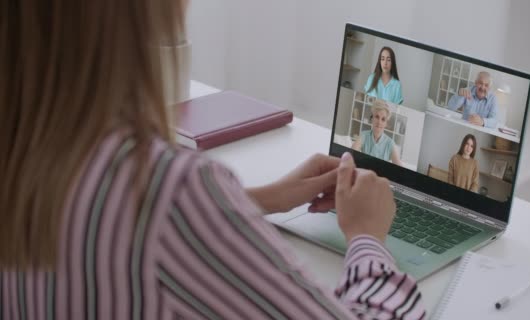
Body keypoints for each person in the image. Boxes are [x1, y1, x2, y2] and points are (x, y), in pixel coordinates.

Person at [0, 1, 426, 319]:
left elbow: (103, 223)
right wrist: (367, 237)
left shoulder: (26, 143)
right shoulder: (166, 194)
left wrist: (254, 201)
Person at [352, 99, 405, 166]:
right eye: (377, 117)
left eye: (383, 119)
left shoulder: (390, 143)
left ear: (386, 123)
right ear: (372, 118)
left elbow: (400, 169)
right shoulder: (364, 135)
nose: (379, 122)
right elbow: (351, 154)